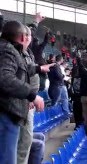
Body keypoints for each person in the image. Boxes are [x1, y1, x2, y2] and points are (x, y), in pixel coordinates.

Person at [0, 21, 45, 164]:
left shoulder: (11, 49)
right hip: (6, 114)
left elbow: (22, 68)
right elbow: (5, 78)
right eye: (27, 35)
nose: (29, 39)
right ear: (22, 38)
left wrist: (39, 68)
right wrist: (31, 95)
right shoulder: (7, 50)